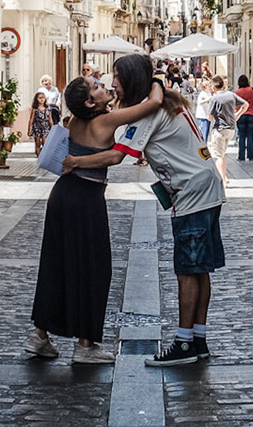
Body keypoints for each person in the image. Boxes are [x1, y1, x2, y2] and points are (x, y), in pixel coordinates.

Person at [71, 53, 226, 368]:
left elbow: (116, 157)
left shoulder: (146, 114)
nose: (112, 83)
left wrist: (74, 162)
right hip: (206, 185)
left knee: (187, 269)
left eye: (116, 76)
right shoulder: (170, 100)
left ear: (130, 80)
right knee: (200, 268)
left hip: (191, 191)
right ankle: (198, 338)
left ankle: (184, 343)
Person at [31, 75, 163, 364]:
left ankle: (40, 336)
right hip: (86, 197)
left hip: (62, 195)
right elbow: (154, 103)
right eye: (97, 87)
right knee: (94, 269)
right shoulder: (107, 121)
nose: (104, 86)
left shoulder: (73, 121)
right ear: (91, 102)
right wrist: (155, 79)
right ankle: (85, 345)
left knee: (55, 264)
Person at [207, 80, 241, 185]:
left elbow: (209, 117)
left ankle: (221, 181)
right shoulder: (231, 95)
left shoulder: (215, 98)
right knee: (222, 154)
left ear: (213, 88)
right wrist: (238, 114)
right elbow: (246, 104)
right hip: (230, 129)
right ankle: (225, 177)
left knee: (217, 156)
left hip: (219, 129)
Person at [233, 74, 253, 161]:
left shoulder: (236, 92)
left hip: (241, 115)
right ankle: (251, 155)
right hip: (252, 114)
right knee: (250, 135)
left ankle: (241, 156)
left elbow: (234, 104)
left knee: (241, 135)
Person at [30, 73, 57, 152]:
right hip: (37, 126)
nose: (45, 82)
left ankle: (43, 157)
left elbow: (50, 119)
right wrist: (29, 129)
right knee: (37, 143)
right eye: (43, 81)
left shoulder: (54, 90)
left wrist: (53, 128)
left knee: (45, 143)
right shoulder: (35, 108)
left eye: (46, 80)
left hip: (45, 126)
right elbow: (31, 119)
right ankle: (39, 157)